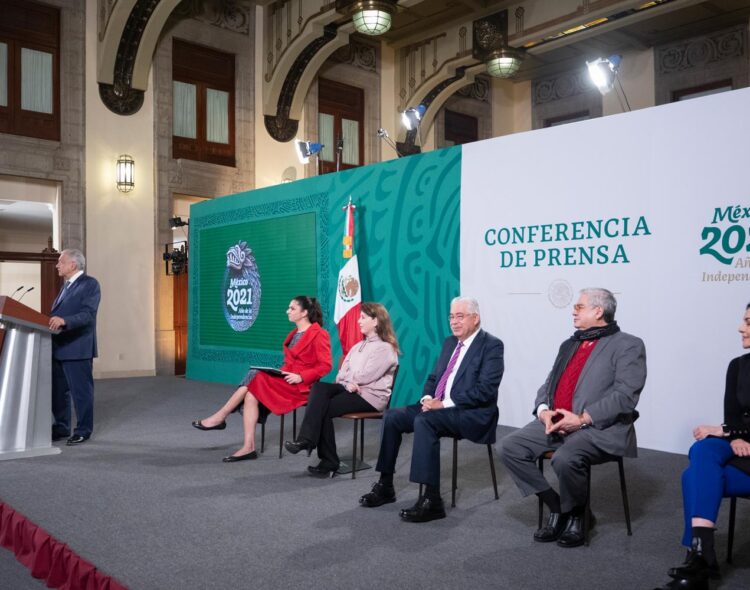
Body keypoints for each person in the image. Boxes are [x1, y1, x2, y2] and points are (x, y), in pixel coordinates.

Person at [499, 288, 646, 548]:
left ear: (598, 311)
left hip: (597, 427)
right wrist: (543, 409)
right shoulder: (570, 344)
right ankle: (558, 507)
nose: (573, 311)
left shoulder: (628, 344)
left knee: (566, 459)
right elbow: (548, 384)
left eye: (579, 307)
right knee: (509, 447)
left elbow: (625, 395)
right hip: (556, 421)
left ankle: (578, 515)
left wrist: (582, 419)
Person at [358, 296, 504, 522]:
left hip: (470, 412)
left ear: (475, 319)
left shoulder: (492, 345)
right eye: (451, 317)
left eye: (460, 316)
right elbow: (435, 377)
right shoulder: (449, 343)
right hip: (438, 406)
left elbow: (485, 391)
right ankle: (385, 484)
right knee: (393, 416)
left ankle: (432, 499)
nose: (454, 322)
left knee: (424, 422)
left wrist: (443, 404)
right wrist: (427, 397)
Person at [654, 304, 750, 590]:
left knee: (691, 476)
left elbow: (730, 425)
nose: (740, 327)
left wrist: (730, 431)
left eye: (747, 321)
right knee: (702, 450)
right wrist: (733, 434)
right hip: (740, 444)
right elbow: (732, 415)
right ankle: (702, 552)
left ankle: (698, 562)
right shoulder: (738, 365)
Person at [192, 296, 332, 462]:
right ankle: (248, 447)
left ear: (305, 313)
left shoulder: (319, 334)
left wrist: (301, 376)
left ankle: (220, 417)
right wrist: (280, 373)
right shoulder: (294, 333)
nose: (287, 311)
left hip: (302, 386)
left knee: (255, 376)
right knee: (252, 391)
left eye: (292, 308)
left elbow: (325, 366)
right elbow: (290, 363)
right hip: (286, 379)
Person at [284, 302, 400, 478]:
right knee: (319, 388)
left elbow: (365, 376)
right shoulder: (357, 346)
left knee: (321, 407)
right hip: (351, 389)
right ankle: (307, 442)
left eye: (363, 318)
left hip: (370, 397)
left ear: (376, 321)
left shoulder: (385, 348)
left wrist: (349, 380)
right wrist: (347, 383)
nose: (359, 321)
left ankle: (321, 453)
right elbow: (341, 374)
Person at [49, 249, 101, 446]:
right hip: (59, 347)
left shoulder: (90, 284)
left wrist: (65, 320)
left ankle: (83, 430)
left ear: (73, 265)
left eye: (61, 262)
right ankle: (62, 426)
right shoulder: (66, 286)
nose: (57, 265)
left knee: (81, 392)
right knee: (58, 392)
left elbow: (88, 315)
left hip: (78, 347)